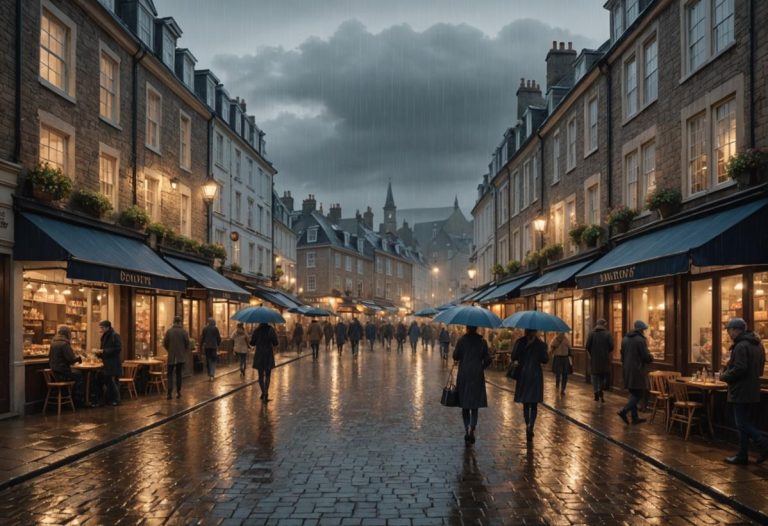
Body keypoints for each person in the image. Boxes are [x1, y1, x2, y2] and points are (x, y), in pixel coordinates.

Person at [720, 318, 768, 465]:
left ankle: (764, 444)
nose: (728, 333)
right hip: (753, 389)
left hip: (740, 390)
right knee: (744, 423)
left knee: (742, 423)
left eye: (729, 330)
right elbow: (760, 368)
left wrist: (724, 376)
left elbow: (740, 368)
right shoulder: (758, 345)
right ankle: (742, 455)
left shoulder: (741, 346)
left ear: (736, 330)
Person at [453, 325, 492, 446]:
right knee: (474, 404)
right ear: (476, 328)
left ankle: (466, 429)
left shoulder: (461, 340)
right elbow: (488, 358)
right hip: (477, 374)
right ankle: (472, 429)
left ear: (467, 328)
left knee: (465, 404)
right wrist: (481, 367)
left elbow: (455, 356)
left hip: (464, 374)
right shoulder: (482, 341)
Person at [511, 329, 549, 441]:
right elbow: (545, 360)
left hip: (523, 374)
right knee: (534, 404)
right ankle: (531, 426)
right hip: (536, 375)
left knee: (526, 403)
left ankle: (527, 423)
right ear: (535, 331)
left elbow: (513, 357)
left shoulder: (520, 342)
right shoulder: (540, 344)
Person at [617, 320, 653, 425]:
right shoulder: (640, 340)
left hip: (627, 369)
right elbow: (646, 357)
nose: (645, 332)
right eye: (644, 330)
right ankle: (624, 411)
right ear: (641, 330)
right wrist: (651, 357)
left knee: (633, 393)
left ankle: (635, 418)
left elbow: (622, 355)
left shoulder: (625, 338)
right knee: (639, 393)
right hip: (637, 370)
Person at [48, 325, 84, 405]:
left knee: (76, 374)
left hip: (55, 372)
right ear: (67, 333)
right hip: (63, 372)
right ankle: (77, 400)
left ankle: (70, 397)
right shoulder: (64, 344)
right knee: (80, 376)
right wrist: (79, 358)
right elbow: (71, 359)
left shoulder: (53, 342)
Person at [586, 319, 614, 402]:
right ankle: (600, 390)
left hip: (594, 358)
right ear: (604, 325)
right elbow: (612, 346)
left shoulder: (591, 333)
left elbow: (587, 346)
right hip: (604, 359)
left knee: (594, 376)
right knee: (602, 376)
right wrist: (606, 351)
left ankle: (596, 393)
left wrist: (592, 353)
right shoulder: (608, 334)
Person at [163, 316, 190, 398]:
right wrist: (183, 351)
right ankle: (178, 392)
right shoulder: (184, 332)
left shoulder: (169, 331)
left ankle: (169, 393)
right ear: (180, 322)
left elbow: (165, 343)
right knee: (178, 374)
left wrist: (169, 350)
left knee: (170, 374)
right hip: (180, 356)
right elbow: (187, 343)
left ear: (173, 322)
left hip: (171, 356)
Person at [251, 322, 278, 401]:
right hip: (268, 354)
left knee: (260, 375)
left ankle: (263, 392)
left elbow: (252, 343)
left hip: (259, 354)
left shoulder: (257, 330)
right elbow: (276, 343)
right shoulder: (271, 330)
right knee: (268, 375)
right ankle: (266, 392)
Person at [97, 320, 122, 406]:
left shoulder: (115, 336)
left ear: (107, 327)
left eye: (102, 327)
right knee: (108, 381)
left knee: (112, 381)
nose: (100, 329)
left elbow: (118, 349)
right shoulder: (104, 336)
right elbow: (103, 349)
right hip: (106, 363)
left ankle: (116, 400)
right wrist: (99, 353)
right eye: (100, 327)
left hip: (113, 363)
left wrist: (103, 351)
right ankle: (108, 399)